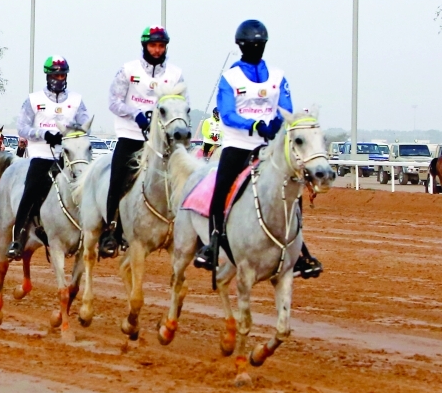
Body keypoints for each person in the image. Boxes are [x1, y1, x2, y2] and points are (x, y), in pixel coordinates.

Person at [194, 20, 322, 279]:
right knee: (221, 191)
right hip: (238, 146)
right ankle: (213, 243)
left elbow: (285, 108)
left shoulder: (278, 77)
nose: (256, 48)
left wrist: (275, 124)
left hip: (270, 148)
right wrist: (254, 125)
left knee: (292, 192)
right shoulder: (229, 78)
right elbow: (228, 114)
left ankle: (299, 252)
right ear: (241, 46)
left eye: (260, 45)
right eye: (251, 45)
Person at [99, 26, 182, 258]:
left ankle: (185, 230)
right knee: (117, 180)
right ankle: (111, 231)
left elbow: (180, 106)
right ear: (145, 46)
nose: (157, 50)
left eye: (161, 46)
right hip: (131, 135)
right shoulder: (128, 70)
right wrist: (135, 114)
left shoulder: (175, 75)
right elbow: (113, 102)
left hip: (161, 142)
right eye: (153, 45)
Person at [8, 57, 90, 259]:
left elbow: (85, 124)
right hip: (41, 156)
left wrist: (70, 135)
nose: (59, 78)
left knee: (86, 189)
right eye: (55, 75)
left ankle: (97, 233)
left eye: (62, 75)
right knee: (30, 193)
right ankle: (18, 239)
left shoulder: (76, 101)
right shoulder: (33, 100)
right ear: (48, 76)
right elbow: (23, 127)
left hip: (67, 157)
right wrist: (44, 135)